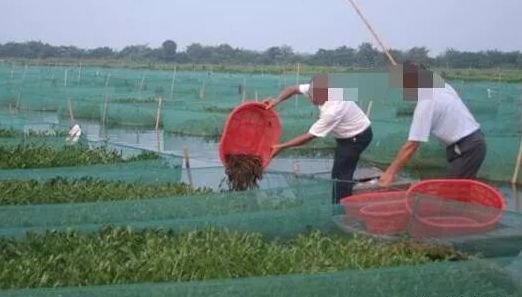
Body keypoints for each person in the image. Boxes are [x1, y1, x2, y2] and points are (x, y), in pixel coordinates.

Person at [265, 75, 373, 203]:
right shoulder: (316, 89)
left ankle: (341, 209)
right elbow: (293, 89)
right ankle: (342, 199)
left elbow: (310, 136)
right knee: (340, 170)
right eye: (311, 95)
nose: (311, 99)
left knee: (341, 175)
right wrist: (276, 101)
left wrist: (282, 147)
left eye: (315, 97)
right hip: (348, 131)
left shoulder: (333, 110)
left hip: (357, 136)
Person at [378, 63, 486, 187]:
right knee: (458, 191)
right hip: (471, 143)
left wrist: (390, 173)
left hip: (468, 148)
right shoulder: (442, 87)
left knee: (451, 194)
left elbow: (411, 145)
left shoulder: (426, 103)